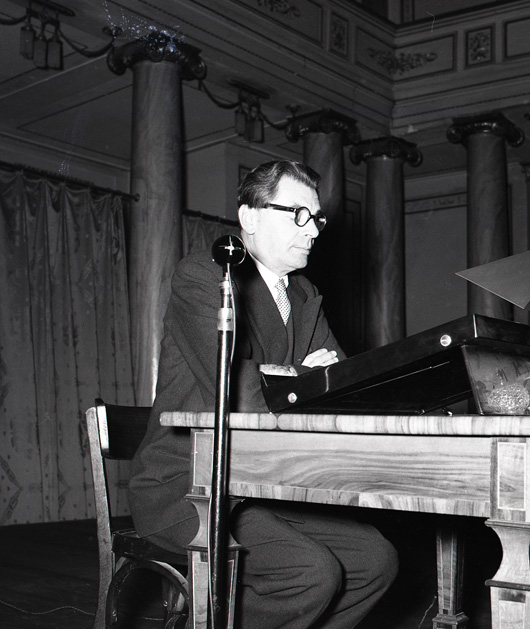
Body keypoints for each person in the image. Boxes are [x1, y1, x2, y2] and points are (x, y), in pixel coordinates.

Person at [129, 160, 398, 629]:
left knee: (376, 560)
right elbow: (240, 390)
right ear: (249, 217)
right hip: (187, 487)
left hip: (262, 486)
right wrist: (303, 373)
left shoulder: (304, 294)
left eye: (316, 218)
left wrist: (294, 376)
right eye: (298, 214)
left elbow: (339, 386)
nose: (312, 230)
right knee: (309, 572)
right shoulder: (206, 276)